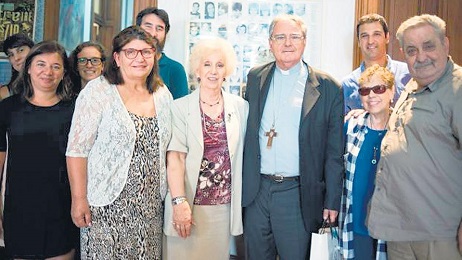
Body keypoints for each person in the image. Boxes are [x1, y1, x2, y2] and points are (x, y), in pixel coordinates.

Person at [242, 14, 344, 260]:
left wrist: (331, 199)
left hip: (298, 193)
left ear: (304, 42)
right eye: (280, 37)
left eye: (294, 37)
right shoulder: (255, 78)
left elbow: (334, 152)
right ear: (270, 43)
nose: (287, 43)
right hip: (257, 191)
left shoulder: (328, 87)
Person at [66, 26, 172, 259]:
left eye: (146, 52)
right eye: (131, 52)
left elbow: (170, 150)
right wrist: (79, 199)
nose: (139, 58)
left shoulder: (162, 93)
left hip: (150, 208)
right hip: (105, 205)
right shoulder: (99, 91)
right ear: (117, 57)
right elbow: (76, 150)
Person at [367, 14, 462, 260]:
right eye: (411, 50)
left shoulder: (458, 89)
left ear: (446, 44)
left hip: (440, 235)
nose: (421, 57)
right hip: (401, 229)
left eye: (428, 46)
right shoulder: (412, 84)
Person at [163, 37, 249, 260]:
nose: (213, 71)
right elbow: (175, 159)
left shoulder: (240, 107)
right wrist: (179, 202)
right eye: (207, 64)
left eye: (219, 65)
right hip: (187, 206)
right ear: (197, 69)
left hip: (222, 210)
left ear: (226, 70)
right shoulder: (180, 107)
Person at [0, 41, 78, 259]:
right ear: (29, 68)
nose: (48, 72)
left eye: (56, 66)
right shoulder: (8, 108)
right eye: (41, 64)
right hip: (20, 207)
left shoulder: (75, 109)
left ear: (64, 73)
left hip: (62, 207)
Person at [340, 64, 393, 260]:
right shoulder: (351, 125)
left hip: (391, 226)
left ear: (391, 91)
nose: (371, 95)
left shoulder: (403, 128)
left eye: (378, 88)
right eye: (365, 90)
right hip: (355, 221)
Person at [342, 14, 411, 113]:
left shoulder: (409, 75)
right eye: (365, 36)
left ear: (387, 37)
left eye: (376, 34)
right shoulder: (347, 85)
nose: (370, 41)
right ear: (358, 42)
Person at [136, 7, 189, 99]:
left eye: (159, 28)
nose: (153, 34)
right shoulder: (127, 63)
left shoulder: (175, 69)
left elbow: (181, 111)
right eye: (148, 26)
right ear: (137, 29)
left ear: (165, 34)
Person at [0, 33, 34, 101]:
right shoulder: (5, 93)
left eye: (21, 50)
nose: (16, 58)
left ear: (33, 50)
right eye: (11, 55)